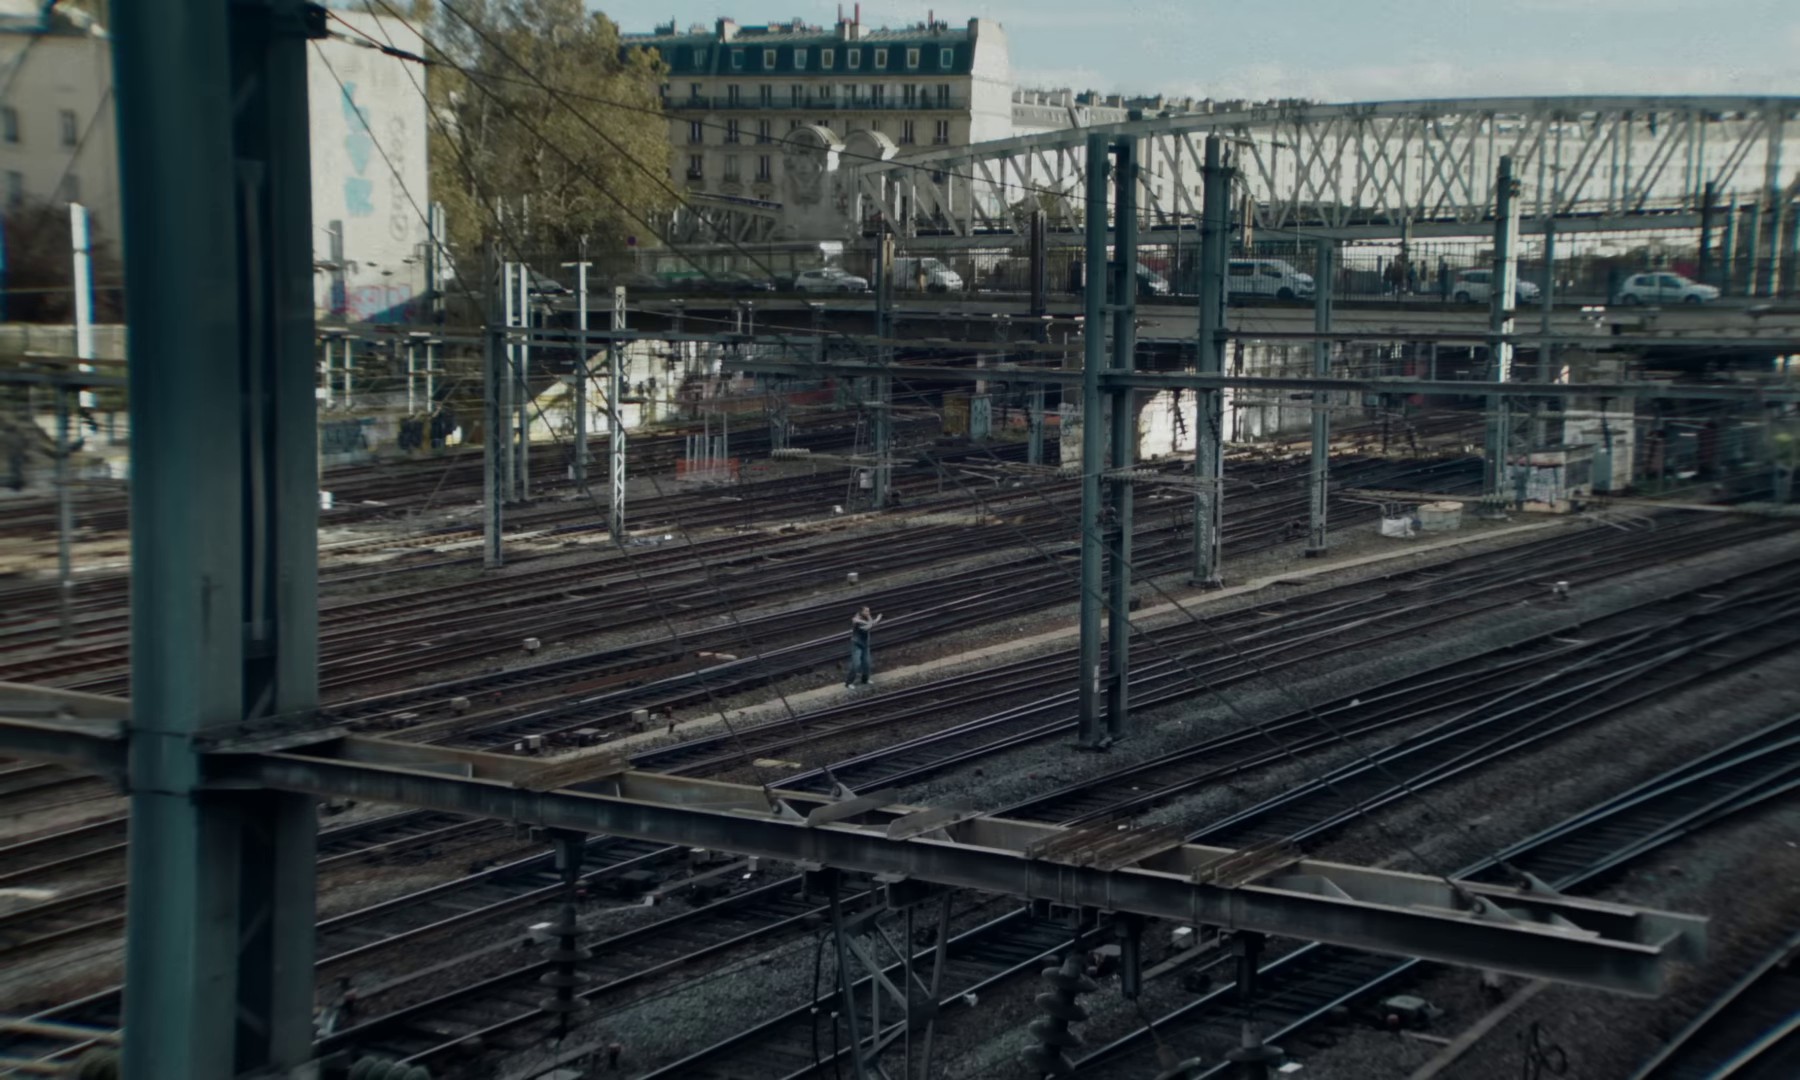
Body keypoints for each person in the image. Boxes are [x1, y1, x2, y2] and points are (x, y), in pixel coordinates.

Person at [846, 605, 882, 687]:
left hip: (865, 644)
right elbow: (868, 627)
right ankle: (849, 683)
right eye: (866, 611)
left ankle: (865, 680)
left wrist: (873, 620)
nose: (868, 613)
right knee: (856, 664)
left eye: (868, 611)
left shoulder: (867, 617)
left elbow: (871, 623)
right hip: (857, 644)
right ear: (861, 612)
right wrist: (877, 619)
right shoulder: (857, 620)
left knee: (867, 663)